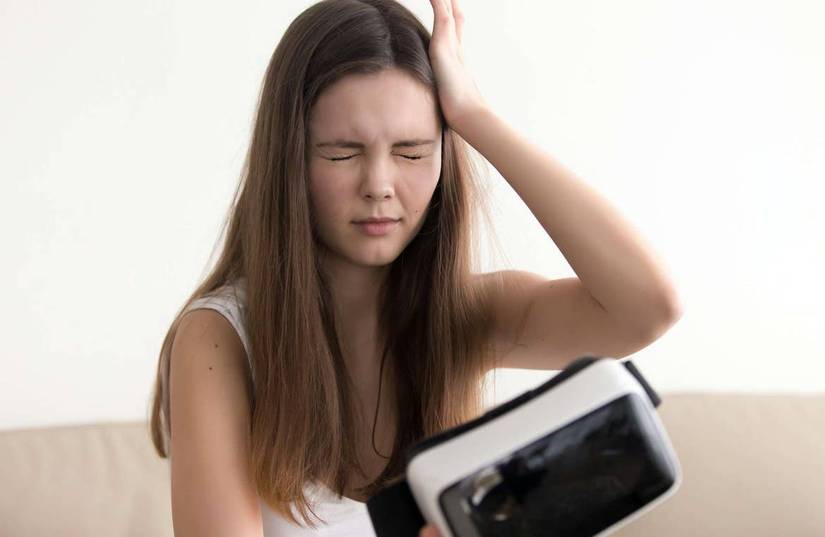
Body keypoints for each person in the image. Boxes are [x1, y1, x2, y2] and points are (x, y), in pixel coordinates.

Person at [148, 0, 682, 535]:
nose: (379, 184)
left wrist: (475, 116)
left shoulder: (464, 316)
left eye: (411, 151)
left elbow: (646, 310)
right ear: (289, 161)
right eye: (341, 153)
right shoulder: (219, 340)